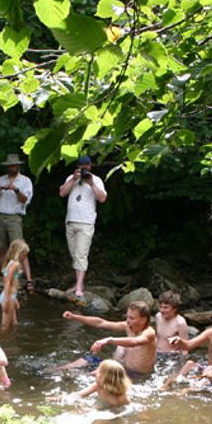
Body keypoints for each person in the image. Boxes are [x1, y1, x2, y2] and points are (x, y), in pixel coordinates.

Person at [60, 301, 157, 377]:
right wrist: (75, 317)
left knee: (95, 374)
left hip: (136, 375)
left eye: (132, 318)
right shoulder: (128, 326)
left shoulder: (149, 333)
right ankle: (55, 371)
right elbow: (101, 323)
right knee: (88, 359)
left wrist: (109, 339)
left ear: (143, 320)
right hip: (123, 368)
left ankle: (72, 377)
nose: (128, 321)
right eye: (127, 317)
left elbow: (135, 342)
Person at [57, 155, 107, 299]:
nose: (83, 169)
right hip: (71, 221)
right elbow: (62, 193)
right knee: (74, 255)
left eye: (86, 166)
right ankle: (80, 283)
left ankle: (79, 287)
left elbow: (102, 198)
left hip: (86, 222)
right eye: (80, 166)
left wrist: (91, 183)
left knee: (81, 254)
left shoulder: (96, 180)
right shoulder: (71, 178)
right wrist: (74, 179)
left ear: (90, 166)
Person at [0, 154, 34, 289]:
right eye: (9, 165)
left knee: (20, 249)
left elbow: (25, 200)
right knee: (2, 248)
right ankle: (5, 275)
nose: (11, 167)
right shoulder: (0, 180)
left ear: (18, 166)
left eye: (14, 165)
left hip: (14, 217)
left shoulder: (25, 181)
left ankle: (29, 279)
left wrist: (16, 190)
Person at [0, 239, 30, 331]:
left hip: (9, 296)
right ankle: (0, 342)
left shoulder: (10, 263)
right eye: (24, 254)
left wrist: (14, 299)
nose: (25, 257)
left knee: (14, 324)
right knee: (5, 326)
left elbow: (10, 282)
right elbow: (8, 282)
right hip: (8, 297)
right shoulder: (15, 264)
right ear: (18, 253)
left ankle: (12, 343)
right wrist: (6, 300)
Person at [155, 290, 189, 357]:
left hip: (171, 356)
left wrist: (182, 362)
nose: (162, 310)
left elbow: (185, 347)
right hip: (157, 353)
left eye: (165, 307)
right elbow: (157, 337)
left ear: (174, 308)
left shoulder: (180, 323)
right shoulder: (158, 316)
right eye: (160, 307)